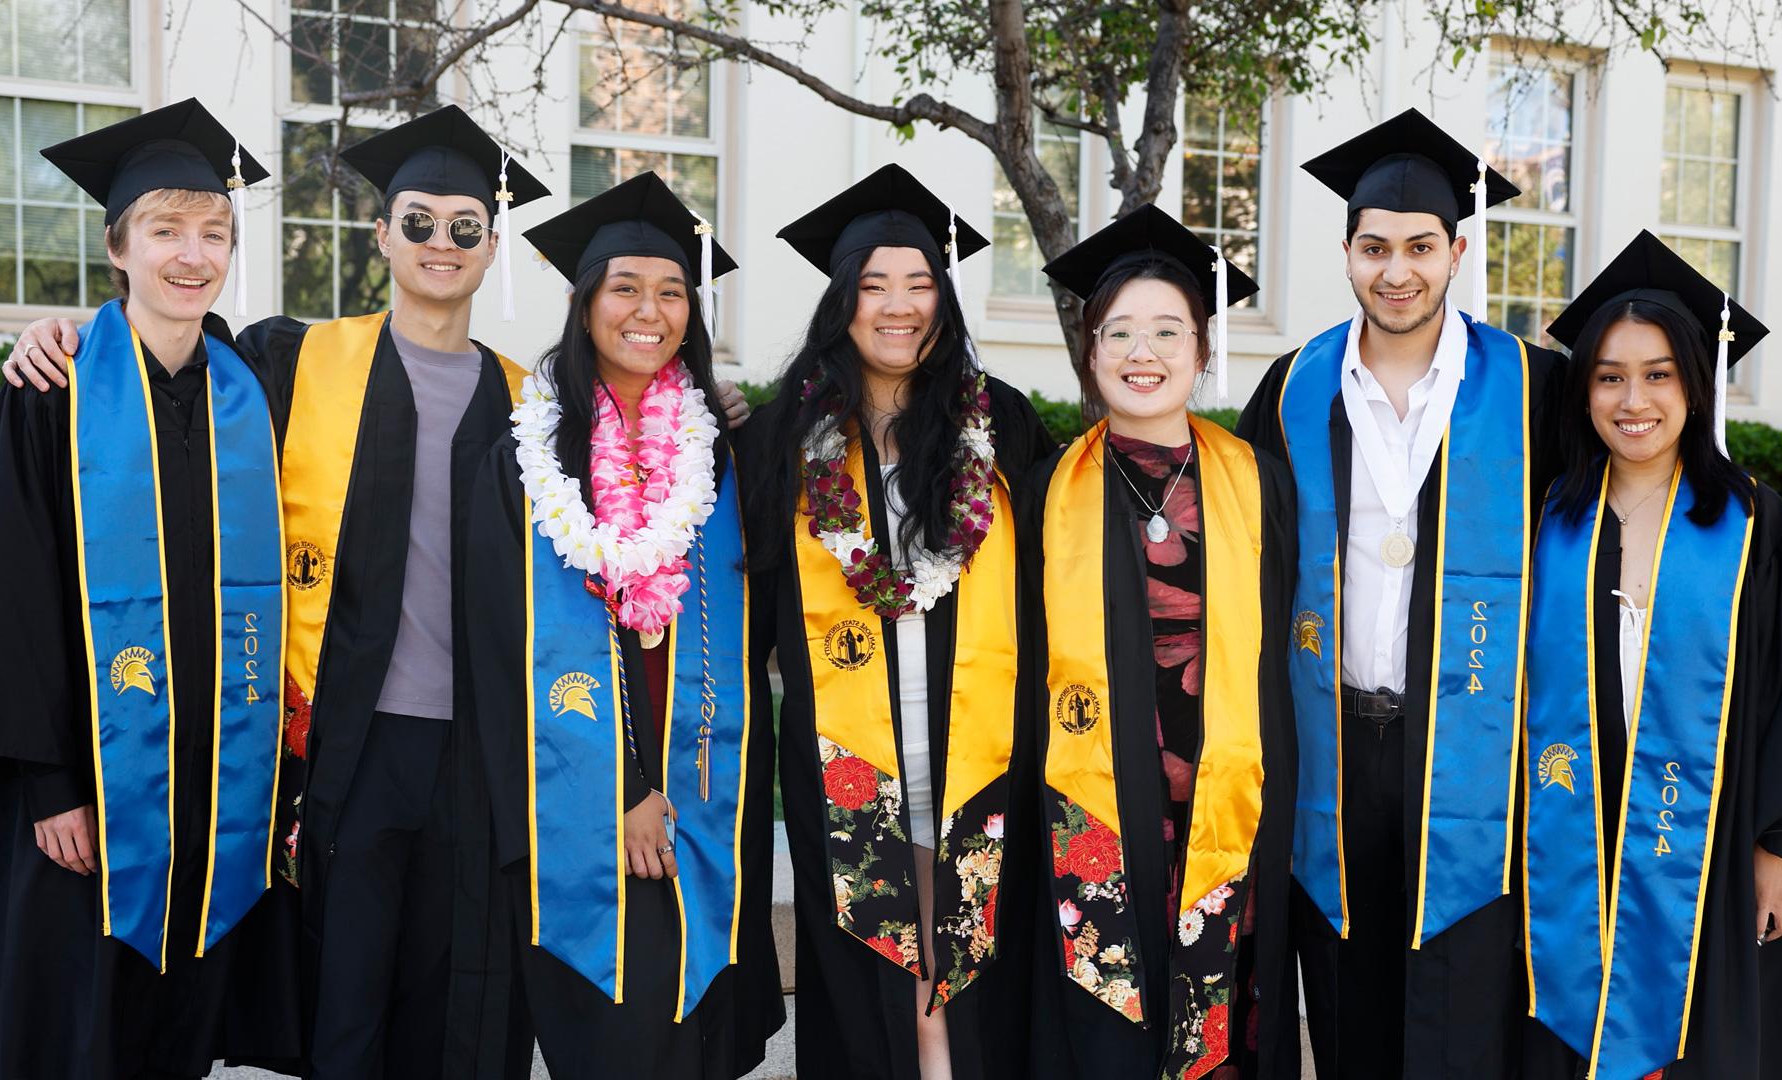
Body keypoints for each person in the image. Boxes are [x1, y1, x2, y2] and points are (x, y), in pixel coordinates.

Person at [4, 104, 554, 1078]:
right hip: (342, 747)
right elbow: (163, 360)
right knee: (343, 1000)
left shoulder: (534, 406)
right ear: (381, 233)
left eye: (465, 228)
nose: (440, 243)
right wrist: (57, 332)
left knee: (462, 997)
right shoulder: (292, 362)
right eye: (417, 220)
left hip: (481, 756)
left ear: (491, 243)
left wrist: (716, 407)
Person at [0, 99, 302, 1077]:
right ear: (117, 247)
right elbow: (8, 599)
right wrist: (53, 787)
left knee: (174, 1025)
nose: (192, 255)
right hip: (82, 787)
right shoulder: (53, 386)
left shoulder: (252, 387)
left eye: (213, 233)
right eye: (165, 230)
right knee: (73, 1028)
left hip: (210, 778)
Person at [1236, 108, 1565, 1078]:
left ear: (1457, 250)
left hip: (1473, 760)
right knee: (1347, 1011)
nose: (1397, 270)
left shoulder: (1536, 390)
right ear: (1346, 252)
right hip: (1330, 751)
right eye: (1375, 247)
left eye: (1421, 247)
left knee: (1462, 1014)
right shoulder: (1294, 391)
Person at [1519, 231, 1782, 1080]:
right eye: (1609, 376)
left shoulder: (1753, 525)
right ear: (1585, 391)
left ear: (1695, 383)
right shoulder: (1552, 517)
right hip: (1571, 837)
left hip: (1708, 840)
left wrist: (1779, 846)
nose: (1632, 399)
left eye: (1658, 374)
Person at [461, 171, 784, 1078]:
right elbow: (500, 648)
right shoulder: (525, 463)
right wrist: (626, 789)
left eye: (673, 291)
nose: (651, 311)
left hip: (710, 799)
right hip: (582, 800)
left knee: (694, 1035)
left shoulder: (722, 458)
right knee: (617, 1032)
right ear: (586, 303)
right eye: (626, 289)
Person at [738, 164, 1054, 1079]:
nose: (899, 305)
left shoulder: (1003, 428)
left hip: (982, 756)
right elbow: (748, 610)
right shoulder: (779, 445)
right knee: (885, 994)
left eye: (920, 282)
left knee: (967, 984)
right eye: (874, 284)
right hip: (845, 763)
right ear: (841, 302)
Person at [1020, 205, 1298, 1079]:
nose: (1144, 353)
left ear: (1203, 351)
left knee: (1224, 1015)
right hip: (1091, 792)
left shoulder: (1262, 484)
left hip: (1230, 793)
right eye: (1120, 333)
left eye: (1168, 330)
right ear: (1091, 351)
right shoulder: (1042, 492)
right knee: (1104, 1019)